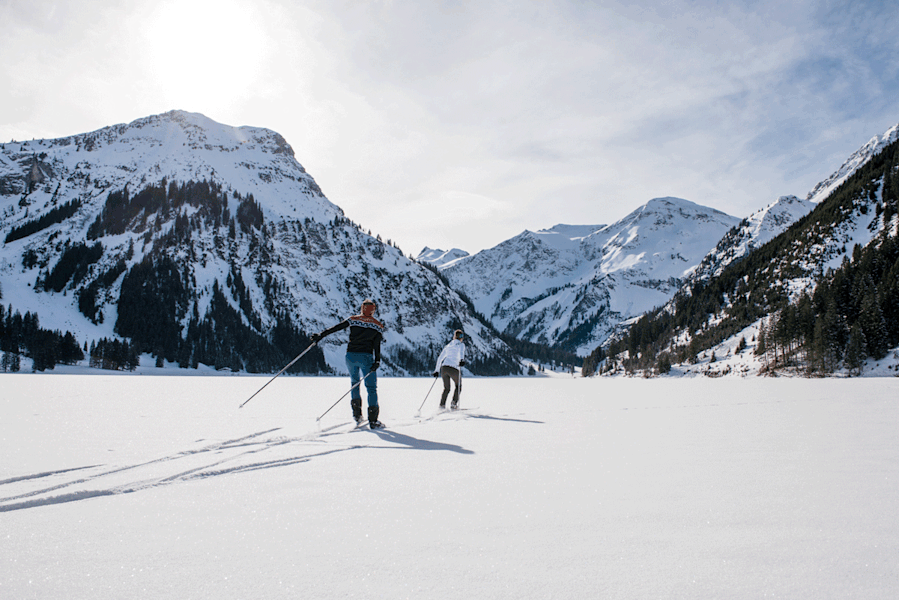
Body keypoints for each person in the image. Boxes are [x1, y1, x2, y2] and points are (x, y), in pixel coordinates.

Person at [311, 299, 386, 429]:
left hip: (350, 356)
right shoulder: (377, 325)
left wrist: (321, 335)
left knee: (354, 383)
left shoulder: (353, 319)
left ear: (362, 308)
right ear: (373, 310)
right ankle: (373, 421)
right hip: (366, 357)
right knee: (371, 388)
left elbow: (336, 328)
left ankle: (357, 416)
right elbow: (376, 345)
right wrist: (377, 360)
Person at [432, 329, 466, 409]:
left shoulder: (448, 346)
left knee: (446, 388)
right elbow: (461, 353)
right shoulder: (461, 345)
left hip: (444, 368)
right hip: (454, 368)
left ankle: (442, 405)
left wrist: (436, 370)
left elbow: (440, 358)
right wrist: (461, 360)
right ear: (461, 337)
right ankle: (453, 403)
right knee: (458, 386)